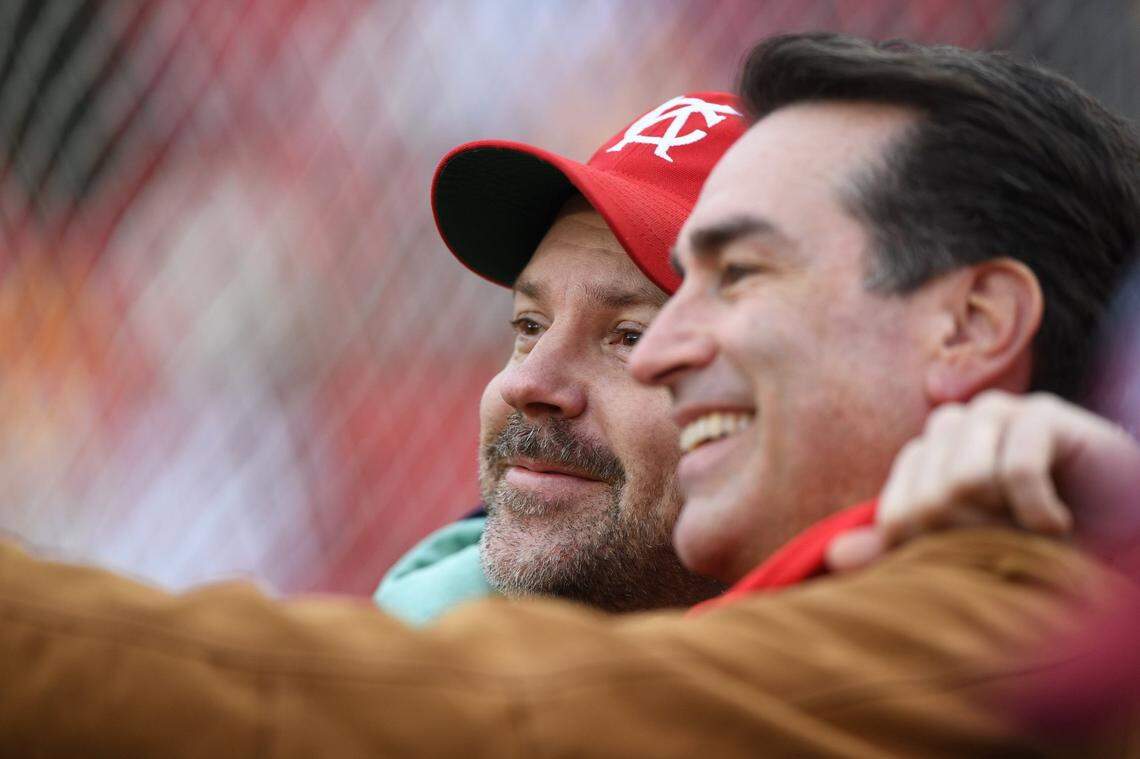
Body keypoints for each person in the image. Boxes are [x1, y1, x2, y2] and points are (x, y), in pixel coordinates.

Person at [2, 34, 1140, 755]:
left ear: (974, 327)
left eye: (728, 279)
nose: (660, 354)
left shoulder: (1018, 616)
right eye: (527, 324)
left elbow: (469, 719)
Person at [377, 93, 744, 622]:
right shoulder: (400, 649)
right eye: (530, 325)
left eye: (632, 336)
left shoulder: (878, 670)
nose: (527, 384)